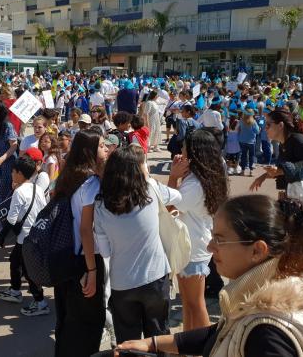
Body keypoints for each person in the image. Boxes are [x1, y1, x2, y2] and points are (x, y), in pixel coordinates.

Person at [110, 194, 303, 357]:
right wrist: (150, 343)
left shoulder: (267, 333)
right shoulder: (277, 295)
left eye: (220, 239)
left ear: (257, 251)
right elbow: (222, 333)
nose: (209, 247)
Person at [95, 145, 182, 344]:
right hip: (155, 277)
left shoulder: (100, 205)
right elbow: (178, 197)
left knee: (128, 342)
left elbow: (105, 251)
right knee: (159, 337)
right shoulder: (150, 189)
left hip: (122, 282)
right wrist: (148, 177)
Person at [250, 107, 303, 277]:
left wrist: (279, 171)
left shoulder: (299, 140)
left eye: (268, 125)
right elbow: (285, 169)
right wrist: (266, 175)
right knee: (294, 250)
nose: (265, 128)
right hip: (298, 202)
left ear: (280, 125)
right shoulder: (284, 143)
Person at [53, 129, 109, 357]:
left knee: (67, 318)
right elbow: (86, 229)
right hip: (85, 258)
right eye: (102, 146)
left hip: (63, 254)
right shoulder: (91, 183)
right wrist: (92, 271)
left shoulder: (68, 176)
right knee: (88, 322)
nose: (107, 149)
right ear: (89, 152)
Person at [169, 129, 228, 332]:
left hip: (192, 249)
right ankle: (189, 343)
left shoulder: (195, 184)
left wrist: (173, 176)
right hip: (193, 244)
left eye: (185, 147)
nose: (181, 150)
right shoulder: (205, 176)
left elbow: (169, 206)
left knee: (195, 303)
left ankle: (205, 344)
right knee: (189, 303)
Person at [0, 156, 49, 316]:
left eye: (13, 171)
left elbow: (11, 220)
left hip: (24, 238)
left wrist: (2, 237)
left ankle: (40, 303)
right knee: (15, 261)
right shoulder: (36, 188)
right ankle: (15, 290)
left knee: (28, 270)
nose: (11, 173)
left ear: (19, 173)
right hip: (36, 234)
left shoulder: (19, 192)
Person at [238, 108, 260, 177]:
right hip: (251, 141)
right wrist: (259, 129)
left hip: (242, 140)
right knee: (251, 156)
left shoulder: (241, 121)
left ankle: (242, 171)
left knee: (243, 156)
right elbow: (257, 131)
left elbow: (239, 129)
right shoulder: (253, 122)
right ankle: (251, 171)